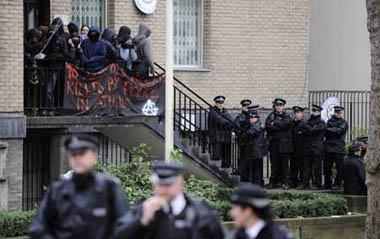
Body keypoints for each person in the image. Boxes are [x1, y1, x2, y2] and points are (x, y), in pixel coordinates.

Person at [29, 134, 129, 239]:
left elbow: (124, 228)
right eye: (73, 155)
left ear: (94, 157)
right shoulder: (57, 190)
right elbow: (38, 229)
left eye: (82, 154)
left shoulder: (110, 188)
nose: (77, 158)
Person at [112, 161, 225, 239]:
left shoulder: (201, 212)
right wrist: (142, 221)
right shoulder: (142, 209)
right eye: (160, 185)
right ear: (154, 186)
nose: (164, 190)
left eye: (169, 185)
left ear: (180, 185)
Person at [228, 184, 293, 239]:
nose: (232, 213)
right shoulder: (237, 235)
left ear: (248, 211)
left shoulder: (278, 236)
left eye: (235, 208)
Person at [265, 98, 293, 190]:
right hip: (274, 144)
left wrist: (275, 123)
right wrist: (279, 125)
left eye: (280, 106)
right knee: (274, 164)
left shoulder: (287, 116)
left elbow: (286, 125)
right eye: (277, 105)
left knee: (285, 165)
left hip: (285, 145)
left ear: (283, 107)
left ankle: (286, 182)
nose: (279, 107)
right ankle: (273, 182)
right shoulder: (271, 116)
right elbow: (268, 126)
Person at [42, 24, 70, 116]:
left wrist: (56, 56)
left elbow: (66, 54)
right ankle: (47, 108)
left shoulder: (61, 41)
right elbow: (42, 51)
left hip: (56, 69)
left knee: (50, 90)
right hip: (47, 68)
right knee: (46, 89)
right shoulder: (46, 41)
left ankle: (51, 108)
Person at [298, 105, 326, 190]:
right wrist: (310, 129)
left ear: (320, 112)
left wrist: (309, 129)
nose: (314, 112)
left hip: (317, 147)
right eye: (313, 111)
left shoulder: (322, 122)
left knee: (317, 167)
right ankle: (305, 183)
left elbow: (315, 131)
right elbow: (302, 130)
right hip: (307, 147)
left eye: (316, 111)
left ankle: (317, 184)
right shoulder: (307, 121)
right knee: (306, 166)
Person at [324, 106, 348, 190]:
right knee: (327, 167)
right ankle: (328, 183)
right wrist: (333, 130)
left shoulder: (344, 122)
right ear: (334, 112)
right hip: (329, 147)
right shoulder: (329, 121)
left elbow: (339, 131)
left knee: (339, 167)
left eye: (340, 112)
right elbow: (325, 132)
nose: (338, 114)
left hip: (339, 148)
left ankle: (337, 184)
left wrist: (331, 129)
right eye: (337, 112)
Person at [241, 110, 266, 185]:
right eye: (250, 118)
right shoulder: (253, 125)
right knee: (255, 168)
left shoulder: (256, 125)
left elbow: (253, 131)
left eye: (253, 117)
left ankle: (257, 184)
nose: (251, 119)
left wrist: (245, 133)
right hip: (254, 150)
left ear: (257, 118)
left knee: (257, 169)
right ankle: (256, 183)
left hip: (257, 150)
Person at [208, 96, 234, 168]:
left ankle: (225, 172)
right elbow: (220, 121)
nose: (221, 104)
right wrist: (229, 123)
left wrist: (230, 123)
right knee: (216, 156)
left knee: (226, 157)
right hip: (217, 138)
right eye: (219, 103)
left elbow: (231, 120)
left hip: (226, 137)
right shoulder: (213, 111)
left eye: (222, 103)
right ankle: (215, 170)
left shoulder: (225, 111)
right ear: (216, 103)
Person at [234, 99, 253, 175]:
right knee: (243, 157)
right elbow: (236, 127)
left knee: (250, 159)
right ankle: (242, 173)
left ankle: (247, 174)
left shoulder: (253, 116)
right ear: (242, 107)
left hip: (251, 140)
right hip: (243, 140)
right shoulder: (239, 117)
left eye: (247, 106)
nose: (246, 107)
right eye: (244, 106)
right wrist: (241, 135)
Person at [289, 106, 306, 189]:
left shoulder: (304, 124)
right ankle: (293, 181)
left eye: (298, 113)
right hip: (293, 148)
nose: (296, 114)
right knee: (293, 166)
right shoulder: (292, 123)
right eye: (295, 113)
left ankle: (302, 182)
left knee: (302, 167)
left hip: (301, 148)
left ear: (301, 114)